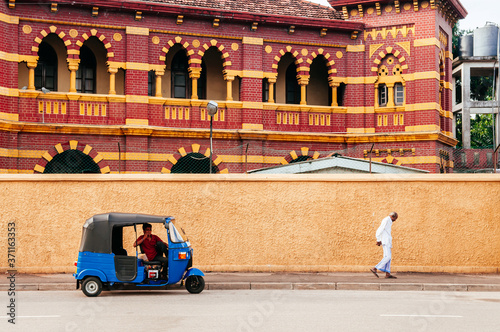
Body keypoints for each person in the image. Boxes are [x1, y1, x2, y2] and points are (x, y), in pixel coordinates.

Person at [370, 212, 398, 279]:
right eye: (395, 218)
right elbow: (379, 230)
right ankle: (375, 268)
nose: (395, 220)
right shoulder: (386, 220)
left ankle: (387, 274)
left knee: (388, 257)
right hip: (385, 241)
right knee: (387, 257)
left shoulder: (389, 221)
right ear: (392, 216)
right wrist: (378, 239)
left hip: (387, 241)